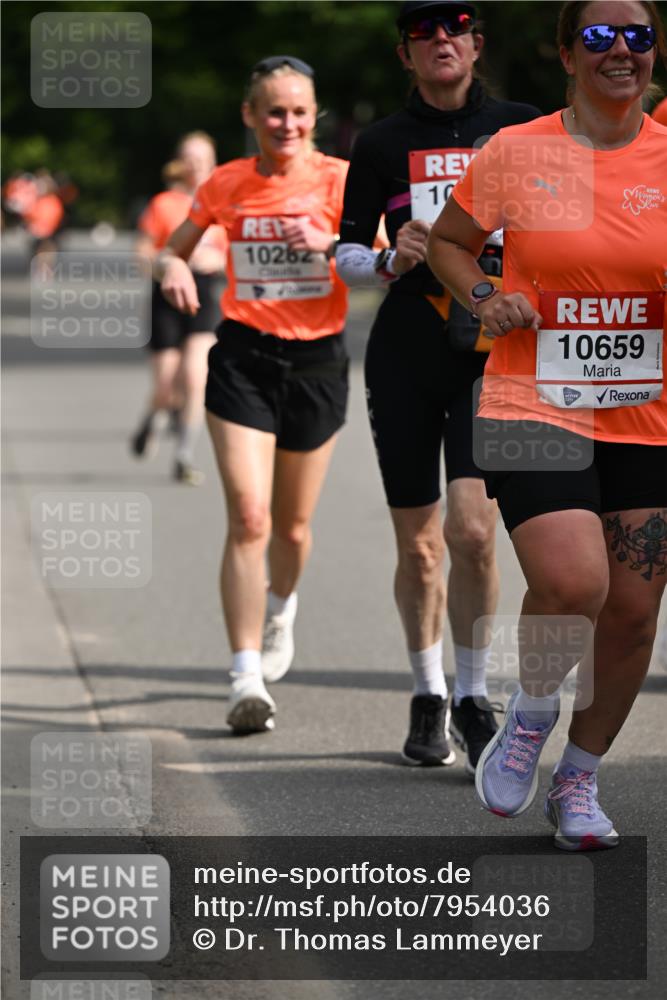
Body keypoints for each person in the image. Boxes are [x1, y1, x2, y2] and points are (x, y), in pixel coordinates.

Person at [427, 0, 666, 849]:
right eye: (598, 36)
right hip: (532, 398)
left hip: (646, 411)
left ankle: (579, 779)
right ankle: (528, 718)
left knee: (634, 612)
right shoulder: (517, 150)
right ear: (566, 54)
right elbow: (451, 242)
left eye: (636, 36)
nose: (619, 51)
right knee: (575, 584)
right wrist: (487, 297)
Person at [336, 1, 540, 773]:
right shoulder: (382, 143)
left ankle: (472, 695)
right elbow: (348, 251)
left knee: (473, 530)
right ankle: (427, 692)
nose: (441, 43)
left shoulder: (524, 129)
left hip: (492, 352)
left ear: (477, 44)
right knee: (419, 547)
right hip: (407, 353)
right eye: (423, 35)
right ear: (404, 55)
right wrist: (389, 260)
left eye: (454, 30)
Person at [157, 56, 350, 733]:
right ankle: (244, 676)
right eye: (274, 111)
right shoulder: (226, 183)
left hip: (318, 361)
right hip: (242, 357)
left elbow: (383, 253)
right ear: (250, 115)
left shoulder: (337, 179)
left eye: (299, 111)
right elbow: (173, 248)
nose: (287, 123)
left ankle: (281, 608)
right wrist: (170, 267)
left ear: (314, 114)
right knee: (249, 515)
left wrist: (328, 242)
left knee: (292, 528)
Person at [132, 132, 227, 485]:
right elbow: (142, 251)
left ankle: (184, 455)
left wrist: (216, 258)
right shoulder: (164, 204)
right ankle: (153, 417)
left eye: (203, 158)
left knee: (195, 376)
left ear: (213, 162)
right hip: (167, 294)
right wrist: (166, 263)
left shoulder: (223, 203)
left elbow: (237, 255)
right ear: (179, 163)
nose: (196, 165)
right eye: (189, 158)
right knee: (165, 383)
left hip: (204, 294)